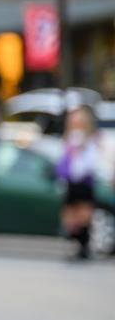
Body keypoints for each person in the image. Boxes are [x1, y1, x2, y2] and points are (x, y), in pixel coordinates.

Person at [57, 106, 102, 260]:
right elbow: (64, 160)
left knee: (83, 216)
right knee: (70, 217)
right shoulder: (68, 138)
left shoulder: (90, 139)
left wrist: (80, 150)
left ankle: (84, 248)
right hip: (71, 182)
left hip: (84, 182)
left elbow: (90, 162)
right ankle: (74, 246)